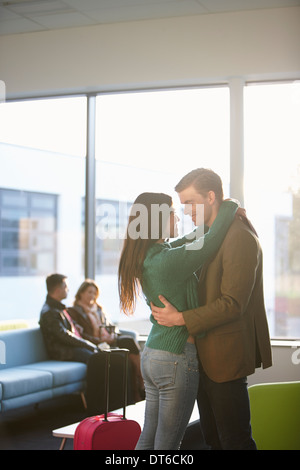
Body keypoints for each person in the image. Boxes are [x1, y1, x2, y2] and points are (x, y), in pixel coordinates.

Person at [151, 168, 273, 450]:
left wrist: (180, 318)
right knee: (214, 440)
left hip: (225, 360)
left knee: (235, 442)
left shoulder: (239, 236)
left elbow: (233, 304)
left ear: (210, 197)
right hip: (203, 358)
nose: (186, 212)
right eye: (182, 206)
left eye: (191, 203)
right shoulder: (209, 236)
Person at [118, 192, 239, 450]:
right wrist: (230, 206)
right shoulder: (168, 261)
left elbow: (188, 240)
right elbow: (210, 242)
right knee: (167, 445)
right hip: (175, 356)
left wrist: (210, 220)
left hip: (154, 356)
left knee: (148, 438)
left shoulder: (153, 255)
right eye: (173, 212)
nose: (179, 216)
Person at [39, 274, 134, 413]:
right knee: (99, 358)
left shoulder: (58, 308)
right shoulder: (49, 311)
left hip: (71, 347)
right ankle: (98, 406)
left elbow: (71, 330)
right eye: (65, 286)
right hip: (62, 351)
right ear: (58, 289)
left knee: (117, 357)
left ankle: (119, 402)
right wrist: (88, 344)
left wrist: (83, 336)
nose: (68, 289)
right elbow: (64, 336)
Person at [67, 279, 144, 402]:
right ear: (81, 293)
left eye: (94, 293)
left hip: (107, 340)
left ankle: (141, 380)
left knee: (128, 341)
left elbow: (111, 326)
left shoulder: (98, 309)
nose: (92, 296)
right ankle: (135, 392)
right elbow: (80, 334)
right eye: (89, 292)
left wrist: (113, 335)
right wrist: (99, 340)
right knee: (124, 356)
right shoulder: (73, 311)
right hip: (95, 343)